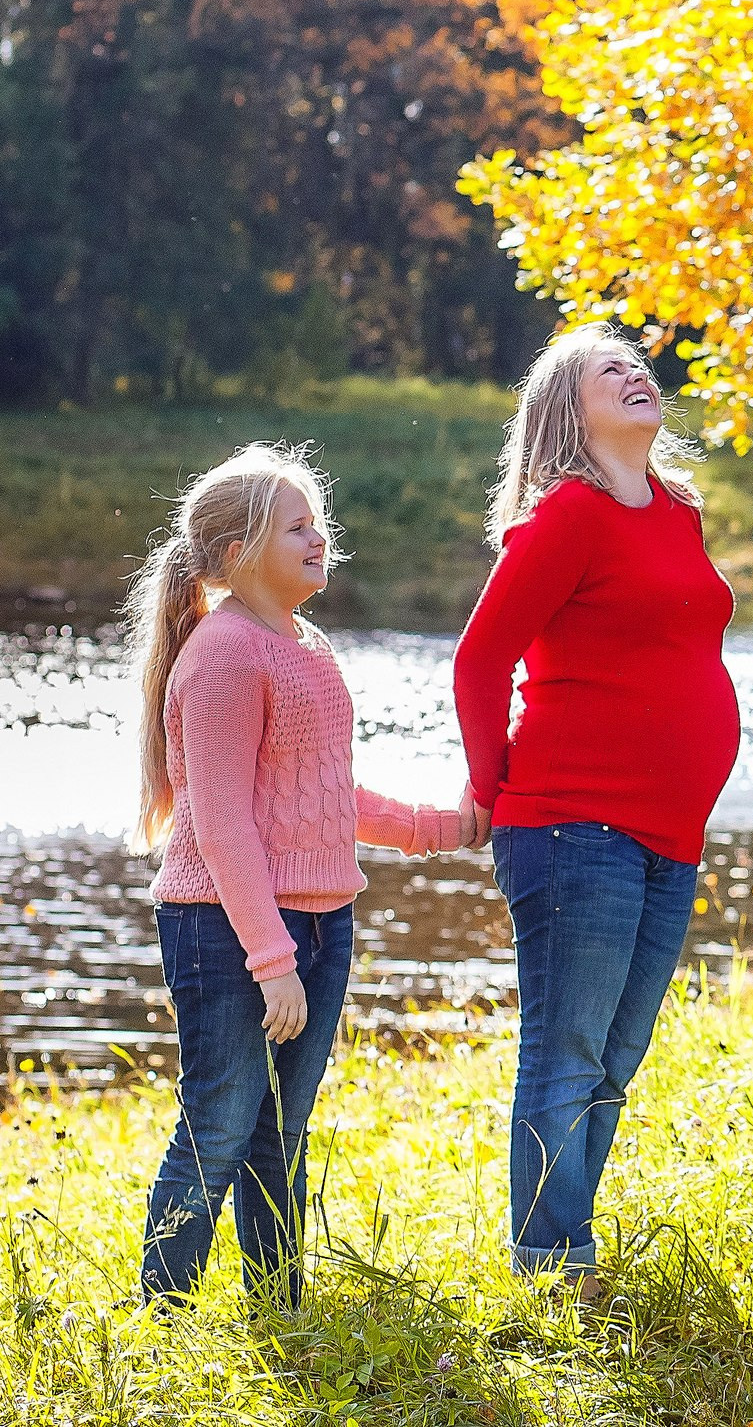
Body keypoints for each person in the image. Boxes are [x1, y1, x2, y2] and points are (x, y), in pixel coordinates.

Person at [130, 443, 475, 1310]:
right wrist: (271, 959)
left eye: (318, 522)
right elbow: (220, 824)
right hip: (229, 924)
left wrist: (436, 828)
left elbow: (322, 792)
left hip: (320, 920)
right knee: (219, 1125)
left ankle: (279, 1305)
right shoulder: (223, 656)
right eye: (297, 527)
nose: (320, 538)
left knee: (279, 1134)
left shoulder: (306, 645)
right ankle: (161, 1315)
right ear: (239, 551)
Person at [453, 327, 741, 1304]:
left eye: (636, 362)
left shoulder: (677, 511)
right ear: (565, 416)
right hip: (573, 825)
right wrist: (493, 793)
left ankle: (566, 1256)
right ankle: (551, 1271)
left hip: (668, 833)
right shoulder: (568, 515)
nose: (632, 371)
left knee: (614, 1057)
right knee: (567, 1051)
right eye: (603, 370)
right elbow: (481, 659)